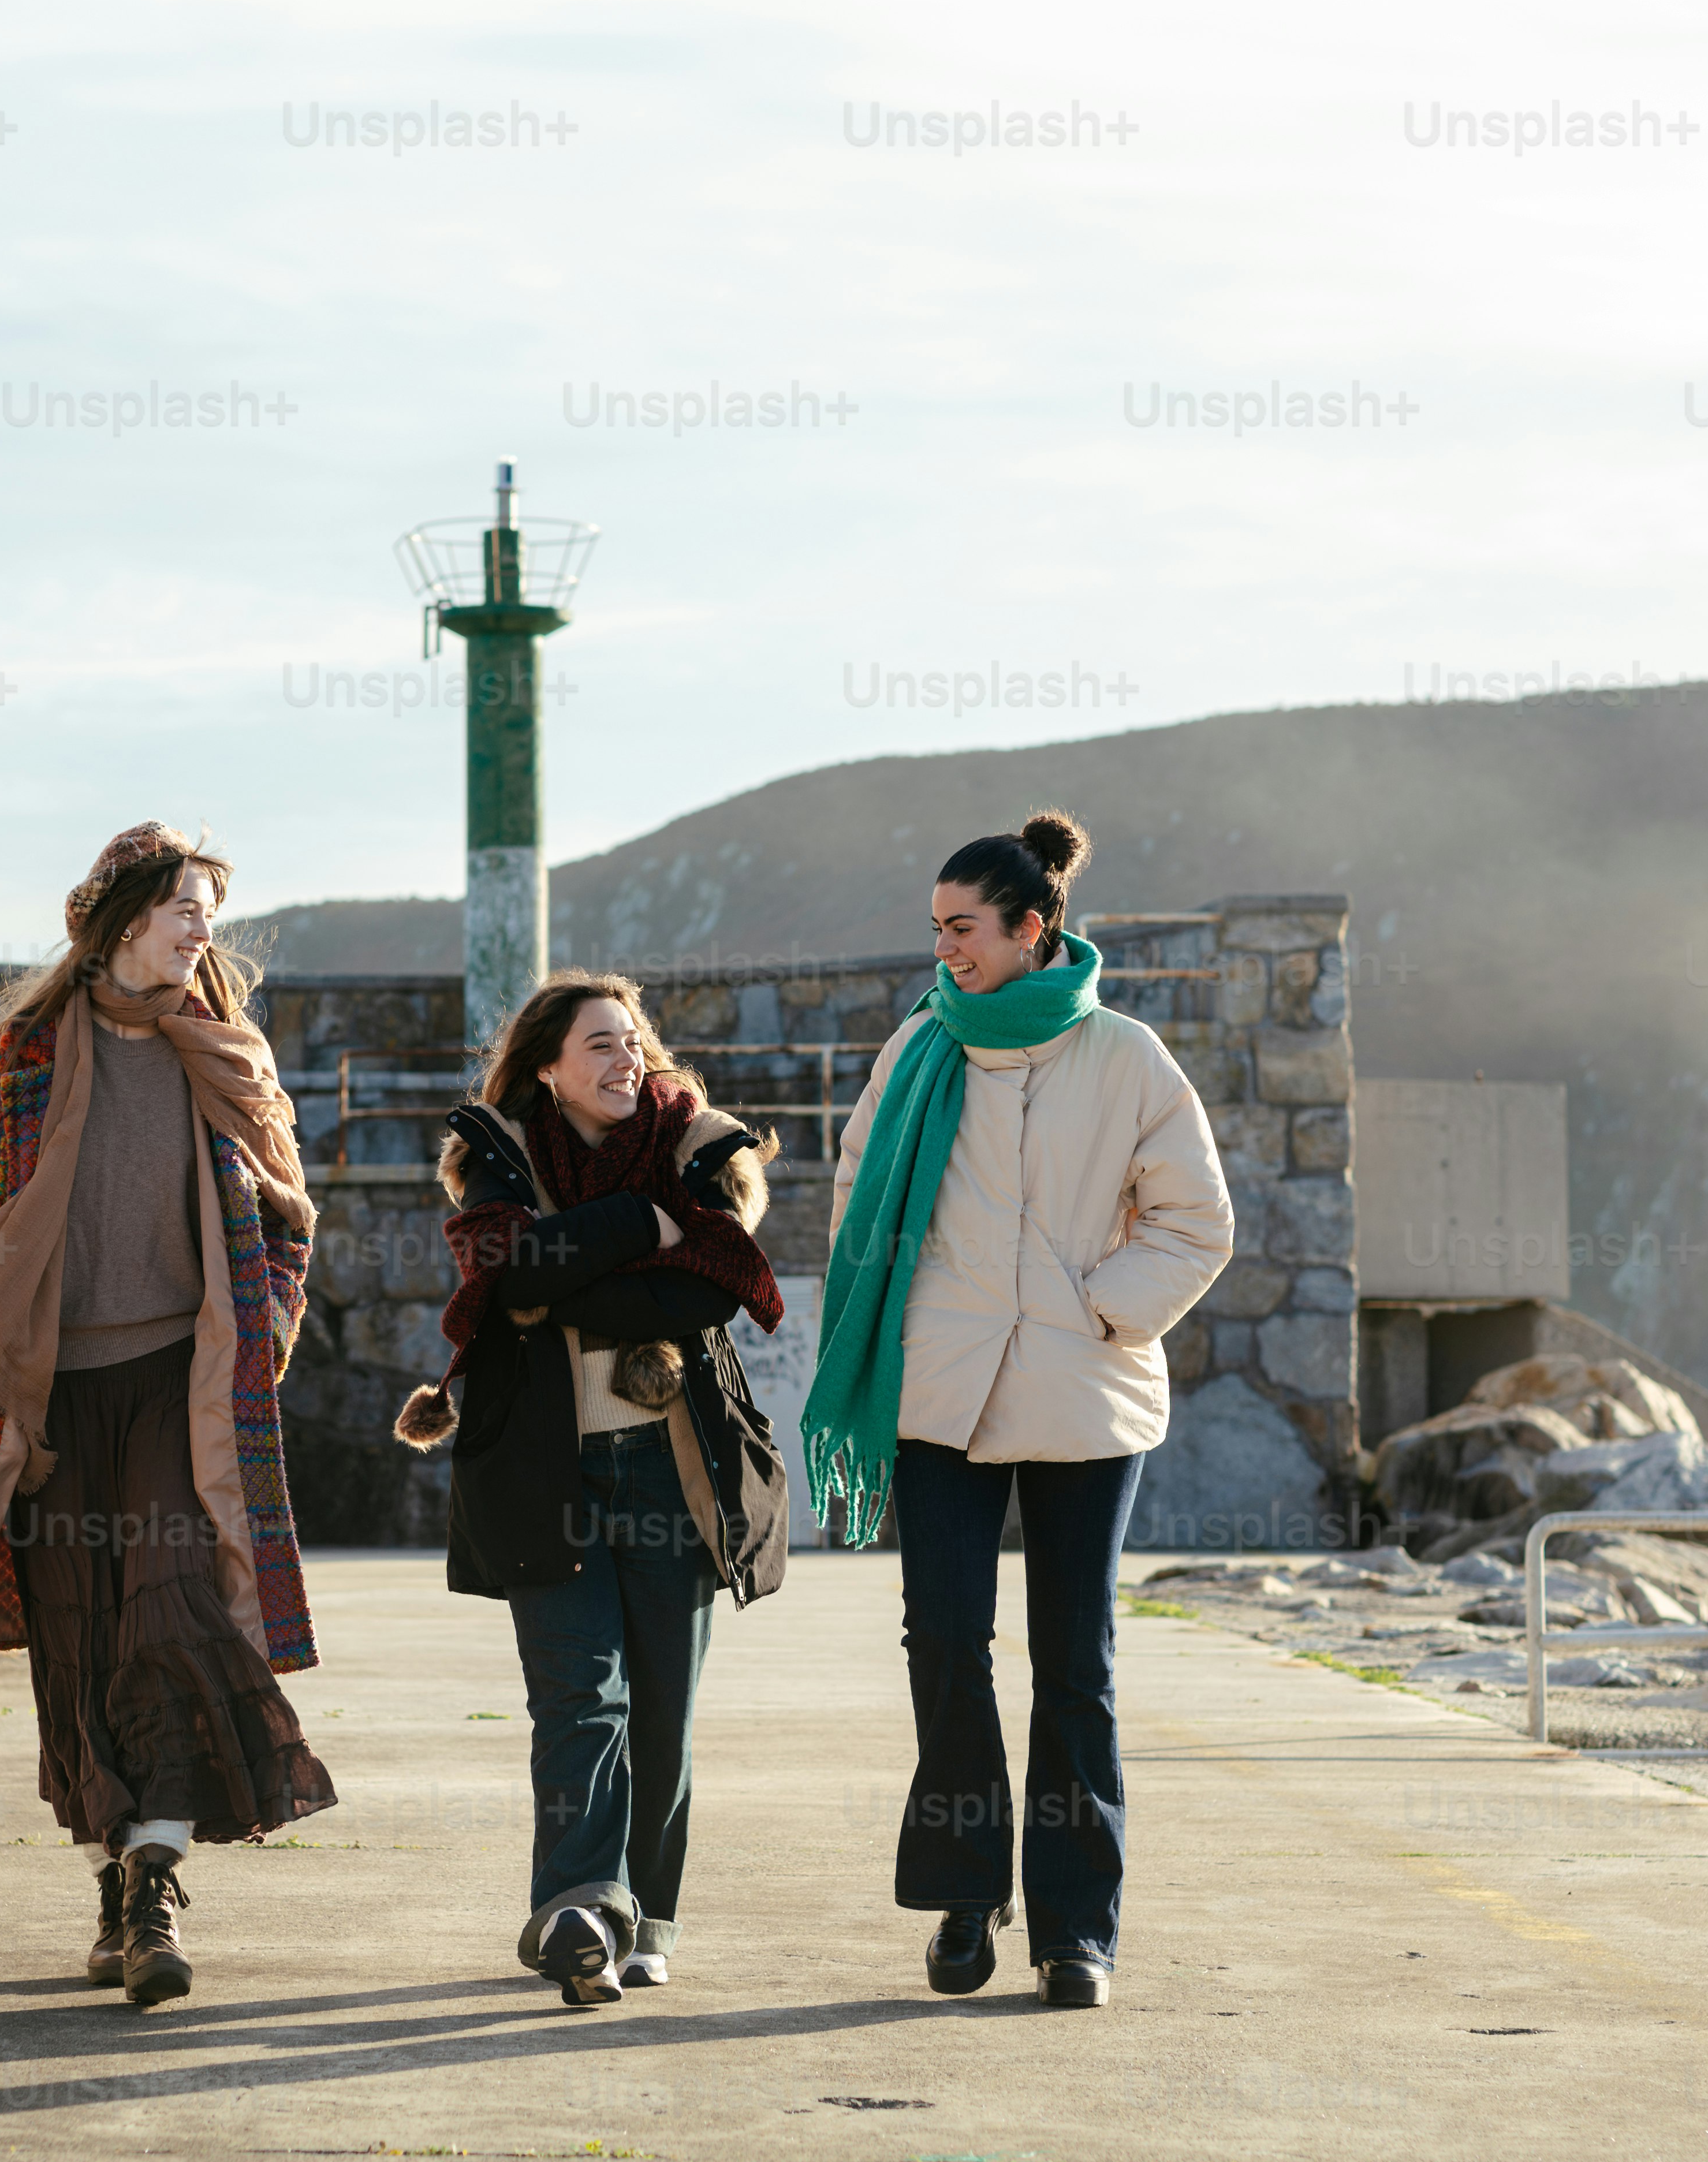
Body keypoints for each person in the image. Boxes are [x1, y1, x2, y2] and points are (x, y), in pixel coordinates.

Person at [0, 821, 333, 2004]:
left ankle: (157, 1876)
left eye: (209, 917)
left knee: (169, 1618)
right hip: (55, 1396)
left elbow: (285, 1219)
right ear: (124, 923)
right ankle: (117, 1883)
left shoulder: (224, 1056)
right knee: (77, 1641)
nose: (199, 933)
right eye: (184, 910)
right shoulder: (22, 1058)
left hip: (183, 1386)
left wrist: (265, 1325)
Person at [803, 812, 1232, 2010]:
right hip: (939, 1394)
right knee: (942, 1645)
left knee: (1073, 1664)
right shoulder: (916, 1050)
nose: (944, 950)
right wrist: (908, 1315)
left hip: (1085, 1398)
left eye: (963, 928)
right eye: (934, 929)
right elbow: (856, 1196)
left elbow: (1196, 1223)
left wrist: (1100, 1309)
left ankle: (1076, 1928)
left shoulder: (1129, 1057)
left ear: (1031, 927)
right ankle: (959, 1889)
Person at [395, 972, 788, 2005]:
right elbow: (510, 1277)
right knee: (579, 1697)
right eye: (600, 1045)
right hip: (544, 1471)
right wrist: (647, 1227)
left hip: (675, 1468)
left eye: (632, 1040)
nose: (626, 1060)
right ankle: (578, 1907)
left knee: (662, 1704)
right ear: (547, 1067)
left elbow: (711, 1286)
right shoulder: (497, 1156)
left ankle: (648, 1915)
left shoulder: (701, 1146)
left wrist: (576, 1268)